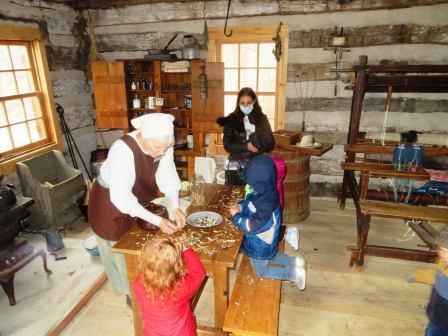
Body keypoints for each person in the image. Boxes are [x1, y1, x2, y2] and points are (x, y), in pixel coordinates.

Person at [88, 113, 186, 298]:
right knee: (119, 249)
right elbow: (122, 199)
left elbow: (168, 176)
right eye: (159, 148)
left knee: (137, 241)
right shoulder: (122, 150)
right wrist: (158, 221)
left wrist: (175, 207)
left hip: (135, 196)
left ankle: (144, 287)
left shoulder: (162, 144)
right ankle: (130, 296)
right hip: (109, 202)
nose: (163, 152)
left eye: (167, 147)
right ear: (144, 137)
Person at [229, 155, 306, 289]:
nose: (249, 186)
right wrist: (241, 206)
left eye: (251, 184)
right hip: (268, 240)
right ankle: (295, 261)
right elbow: (251, 204)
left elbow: (251, 226)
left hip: (260, 242)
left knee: (261, 270)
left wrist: (237, 217)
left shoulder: (264, 203)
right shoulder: (266, 192)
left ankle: (293, 273)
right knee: (271, 256)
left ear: (258, 184)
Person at [132, 236, 206, 336]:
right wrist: (185, 249)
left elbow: (147, 273)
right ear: (177, 265)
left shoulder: (138, 285)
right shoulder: (182, 286)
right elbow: (199, 272)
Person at [217, 87, 275, 185]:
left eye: (249, 103)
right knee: (235, 197)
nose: (246, 105)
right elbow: (227, 145)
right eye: (242, 103)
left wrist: (259, 144)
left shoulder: (261, 119)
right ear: (238, 103)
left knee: (254, 196)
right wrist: (246, 146)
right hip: (235, 167)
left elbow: (271, 144)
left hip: (256, 165)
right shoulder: (231, 119)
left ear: (254, 102)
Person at [425, 225, 448, 336]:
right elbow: (436, 275)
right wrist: (416, 275)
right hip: (436, 319)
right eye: (442, 250)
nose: (445, 256)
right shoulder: (443, 262)